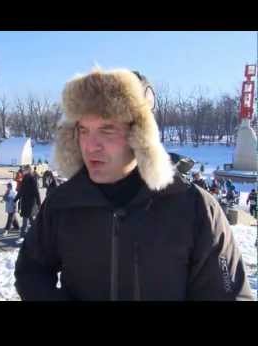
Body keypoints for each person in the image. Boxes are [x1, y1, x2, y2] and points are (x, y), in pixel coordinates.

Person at [14, 67, 253, 300]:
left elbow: (230, 294)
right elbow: (31, 271)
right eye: (83, 130)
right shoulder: (62, 203)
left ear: (140, 136)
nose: (90, 145)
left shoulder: (195, 208)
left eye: (107, 129)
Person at [14, 164, 41, 245]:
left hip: (30, 203)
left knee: (25, 220)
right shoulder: (25, 178)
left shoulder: (32, 179)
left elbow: (36, 192)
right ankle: (38, 233)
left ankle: (22, 236)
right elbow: (21, 191)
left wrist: (39, 203)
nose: (23, 171)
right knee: (30, 219)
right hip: (26, 202)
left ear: (28, 170)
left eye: (24, 170)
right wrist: (16, 199)